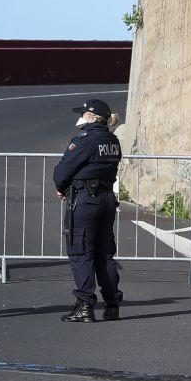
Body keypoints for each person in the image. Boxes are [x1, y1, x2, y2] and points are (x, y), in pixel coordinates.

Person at [52, 99, 123, 323]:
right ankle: (112, 304)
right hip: (106, 199)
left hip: (85, 200)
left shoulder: (85, 140)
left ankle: (84, 305)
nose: (81, 116)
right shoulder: (113, 140)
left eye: (84, 113)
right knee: (104, 254)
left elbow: (63, 170)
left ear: (92, 117)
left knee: (81, 252)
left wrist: (62, 188)